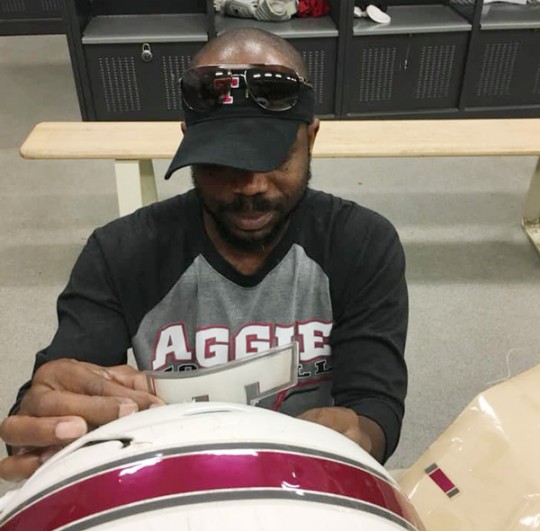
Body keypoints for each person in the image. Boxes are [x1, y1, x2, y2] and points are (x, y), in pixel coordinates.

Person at [0, 28, 408, 482]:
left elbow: (376, 403)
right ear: (187, 140)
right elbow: (53, 397)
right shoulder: (121, 252)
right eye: (221, 162)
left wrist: (358, 434)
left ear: (310, 138)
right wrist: (43, 422)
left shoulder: (362, 244)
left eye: (274, 158)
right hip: (176, 480)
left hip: (307, 477)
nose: (250, 186)